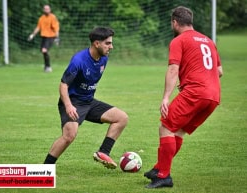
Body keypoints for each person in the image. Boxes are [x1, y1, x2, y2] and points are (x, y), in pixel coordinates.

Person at [144, 6, 223, 189]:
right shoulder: (208, 40)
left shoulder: (179, 40)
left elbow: (173, 69)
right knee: (178, 131)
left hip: (195, 92)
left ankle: (164, 176)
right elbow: (219, 71)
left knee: (165, 126)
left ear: (175, 22)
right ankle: (159, 168)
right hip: (213, 96)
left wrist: (165, 97)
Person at [43, 27, 128, 169]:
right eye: (107, 43)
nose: (111, 47)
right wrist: (69, 106)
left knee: (122, 118)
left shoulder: (103, 59)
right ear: (96, 43)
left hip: (88, 101)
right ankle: (44, 169)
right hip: (73, 102)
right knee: (69, 135)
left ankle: (103, 152)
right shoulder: (78, 61)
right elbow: (63, 85)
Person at [28, 5, 59, 73]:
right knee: (43, 51)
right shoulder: (41, 18)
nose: (46, 10)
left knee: (44, 50)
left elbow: (56, 28)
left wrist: (57, 38)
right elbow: (38, 27)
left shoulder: (52, 17)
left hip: (51, 36)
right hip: (44, 37)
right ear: (43, 10)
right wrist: (32, 35)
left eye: (48, 9)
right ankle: (46, 66)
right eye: (45, 9)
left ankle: (48, 67)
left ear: (50, 10)